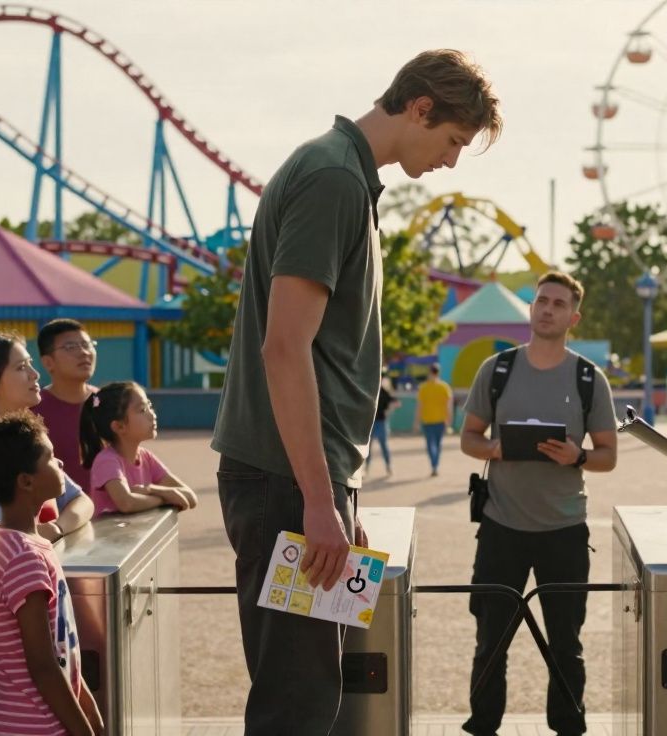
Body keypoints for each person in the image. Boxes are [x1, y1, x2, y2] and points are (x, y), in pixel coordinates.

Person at [209, 49, 501, 734]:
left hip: (297, 477)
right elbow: (285, 348)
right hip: (284, 479)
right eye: (454, 141)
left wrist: (336, 491)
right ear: (421, 107)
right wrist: (317, 499)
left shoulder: (340, 172)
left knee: (313, 686)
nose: (451, 163)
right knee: (298, 701)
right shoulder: (335, 179)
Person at [459, 271, 619, 736]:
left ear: (574, 316)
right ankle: (482, 725)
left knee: (566, 643)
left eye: (558, 303)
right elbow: (468, 437)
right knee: (490, 640)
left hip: (565, 531)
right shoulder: (497, 370)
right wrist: (496, 449)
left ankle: (569, 726)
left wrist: (579, 455)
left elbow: (608, 456)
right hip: (500, 527)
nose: (547, 309)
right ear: (532, 308)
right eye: (541, 301)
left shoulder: (589, 378)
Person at [0, 333, 95, 734]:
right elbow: (18, 516)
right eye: (21, 366)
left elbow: (82, 502)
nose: (34, 375)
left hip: (28, 599)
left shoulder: (27, 446)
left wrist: (54, 528)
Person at [0, 413, 103, 736]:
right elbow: (42, 665)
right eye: (51, 458)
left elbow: (61, 650)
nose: (61, 464)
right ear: (26, 481)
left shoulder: (15, 540)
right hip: (32, 726)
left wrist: (89, 711)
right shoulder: (24, 557)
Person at [79, 382, 197, 517]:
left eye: (150, 406)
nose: (152, 415)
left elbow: (190, 497)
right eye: (142, 410)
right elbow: (126, 503)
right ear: (119, 427)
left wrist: (151, 489)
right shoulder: (107, 461)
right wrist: (165, 498)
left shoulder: (146, 457)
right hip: (111, 538)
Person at [32, 320, 97, 491]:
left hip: (115, 514)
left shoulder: (109, 402)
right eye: (70, 347)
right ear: (48, 362)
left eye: (87, 344)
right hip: (62, 514)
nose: (84, 353)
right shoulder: (33, 411)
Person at [414, 364, 454, 476]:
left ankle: (434, 465)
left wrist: (416, 422)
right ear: (438, 372)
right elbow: (448, 406)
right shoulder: (444, 387)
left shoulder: (423, 387)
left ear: (430, 373)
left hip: (427, 421)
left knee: (430, 445)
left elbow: (419, 406)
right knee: (437, 444)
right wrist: (449, 420)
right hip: (440, 421)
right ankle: (435, 465)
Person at [368, 372, 397, 478]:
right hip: (370, 423)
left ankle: (388, 466)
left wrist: (388, 411)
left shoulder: (384, 391)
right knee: (367, 448)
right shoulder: (370, 390)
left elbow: (395, 402)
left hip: (381, 422)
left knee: (384, 446)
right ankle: (366, 468)